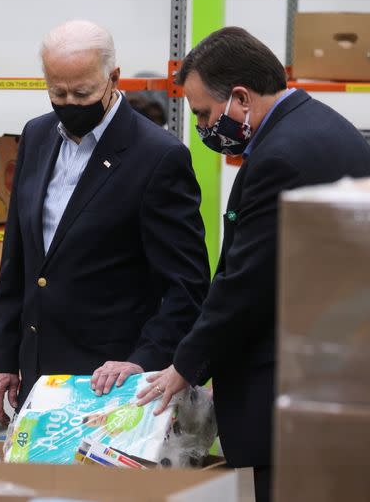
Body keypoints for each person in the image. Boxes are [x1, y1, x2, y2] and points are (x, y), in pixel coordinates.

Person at [137, 27, 370, 502]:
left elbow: (248, 281)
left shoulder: (280, 156)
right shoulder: (327, 127)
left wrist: (186, 365)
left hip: (283, 396)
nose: (202, 128)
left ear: (240, 97)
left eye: (203, 113)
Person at [0, 20, 211, 426]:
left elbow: (186, 286)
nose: (70, 102)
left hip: (110, 385)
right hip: (38, 377)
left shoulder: (158, 157)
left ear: (113, 79)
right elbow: (18, 257)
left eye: (83, 92)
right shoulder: (36, 136)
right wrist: (2, 359)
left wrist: (142, 361)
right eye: (57, 92)